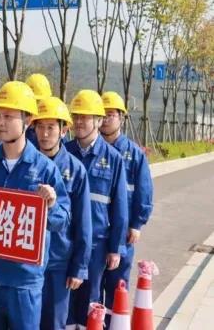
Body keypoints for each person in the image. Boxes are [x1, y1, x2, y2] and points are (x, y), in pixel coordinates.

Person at [0, 81, 70, 330]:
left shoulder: (45, 169)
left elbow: (62, 220)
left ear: (27, 120)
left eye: (8, 116)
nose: (0, 122)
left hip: (24, 281)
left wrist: (52, 204)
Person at [65, 89, 128, 327]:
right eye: (76, 116)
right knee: (64, 302)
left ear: (98, 121)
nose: (79, 122)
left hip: (96, 245)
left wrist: (115, 248)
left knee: (89, 301)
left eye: (85, 117)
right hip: (66, 241)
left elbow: (120, 207)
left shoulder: (113, 159)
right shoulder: (64, 153)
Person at [32, 96, 92, 330]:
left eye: (51, 127)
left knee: (54, 322)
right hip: (28, 261)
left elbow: (83, 223)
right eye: (40, 127)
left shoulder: (76, 170)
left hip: (58, 263)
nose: (45, 134)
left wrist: (79, 267)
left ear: (64, 130)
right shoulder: (27, 164)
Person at [100, 91, 153, 314]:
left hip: (123, 232)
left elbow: (144, 190)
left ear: (121, 117)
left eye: (111, 114)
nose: (105, 119)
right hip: (97, 230)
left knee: (117, 286)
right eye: (102, 114)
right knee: (91, 289)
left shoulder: (134, 154)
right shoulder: (92, 151)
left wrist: (136, 224)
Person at [25, 73, 52, 148]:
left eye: (38, 101)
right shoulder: (20, 126)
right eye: (32, 101)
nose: (36, 106)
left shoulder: (56, 127)